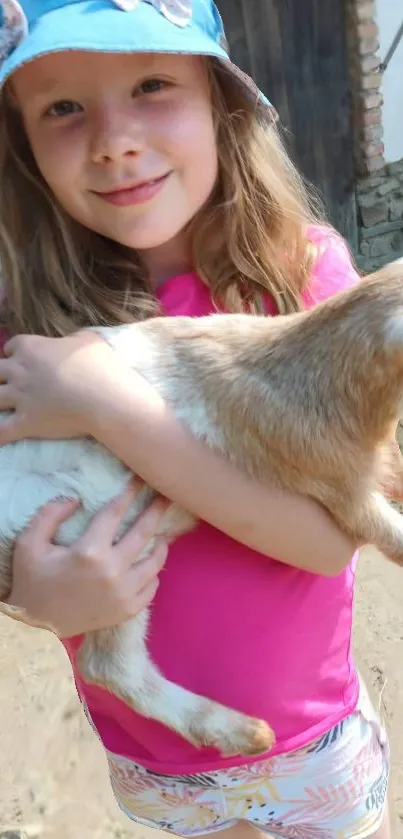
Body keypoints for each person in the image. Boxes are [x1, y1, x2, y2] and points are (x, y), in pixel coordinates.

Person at [0, 1, 391, 837]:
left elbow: (325, 539)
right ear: (22, 144)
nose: (113, 139)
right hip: (156, 758)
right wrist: (27, 593)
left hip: (305, 744)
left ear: (221, 102)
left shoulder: (301, 280)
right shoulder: (24, 334)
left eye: (150, 84)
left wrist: (103, 402)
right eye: (62, 107)